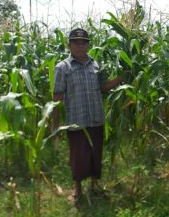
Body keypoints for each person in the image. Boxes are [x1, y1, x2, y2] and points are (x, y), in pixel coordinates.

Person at [53, 28, 123, 204]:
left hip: (96, 118)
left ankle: (94, 184)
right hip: (76, 121)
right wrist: (55, 125)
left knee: (95, 153)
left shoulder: (95, 65)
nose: (80, 45)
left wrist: (121, 78)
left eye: (83, 42)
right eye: (75, 42)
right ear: (69, 45)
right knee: (78, 156)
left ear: (88, 45)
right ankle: (77, 189)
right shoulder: (63, 68)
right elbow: (57, 97)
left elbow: (103, 88)